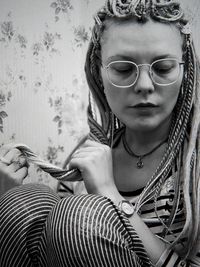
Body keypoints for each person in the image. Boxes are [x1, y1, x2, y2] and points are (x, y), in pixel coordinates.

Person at [0, 0, 200, 266]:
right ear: (99, 73)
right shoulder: (87, 156)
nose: (144, 85)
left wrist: (110, 197)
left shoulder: (193, 167)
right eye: (123, 69)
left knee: (82, 215)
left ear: (185, 72)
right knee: (22, 202)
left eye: (163, 68)